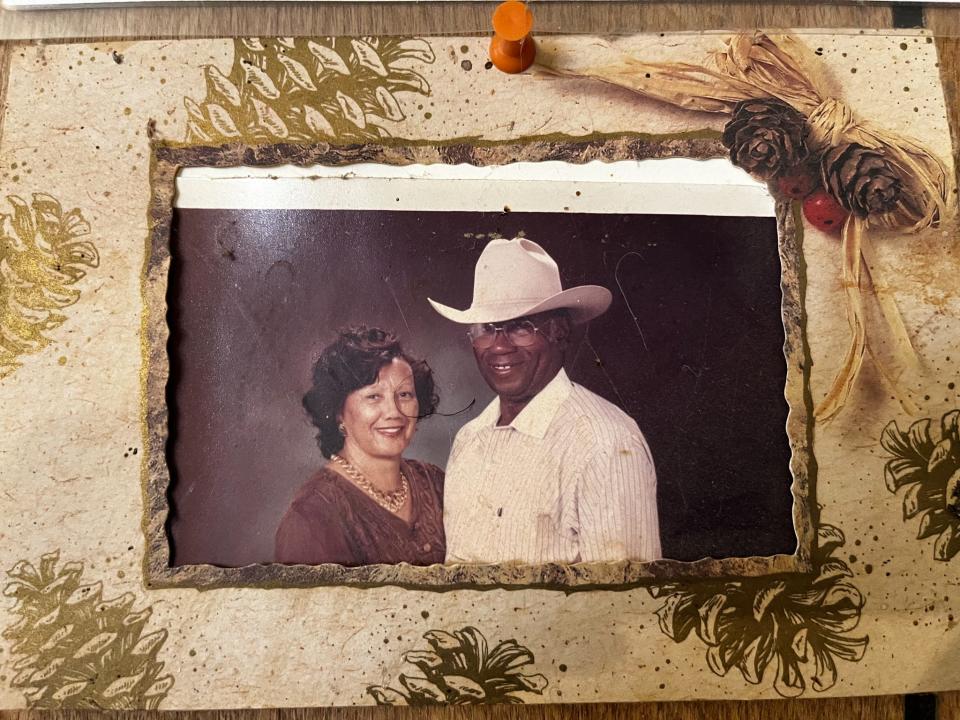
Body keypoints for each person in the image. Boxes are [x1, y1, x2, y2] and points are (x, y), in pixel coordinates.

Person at [428, 237, 661, 564]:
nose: (499, 346)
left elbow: (627, 606)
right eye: (487, 328)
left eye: (521, 328)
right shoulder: (469, 441)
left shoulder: (605, 443)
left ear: (560, 333)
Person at [275, 327, 445, 566]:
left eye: (405, 395)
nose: (394, 413)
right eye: (373, 396)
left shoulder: (435, 482)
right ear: (338, 412)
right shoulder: (312, 516)